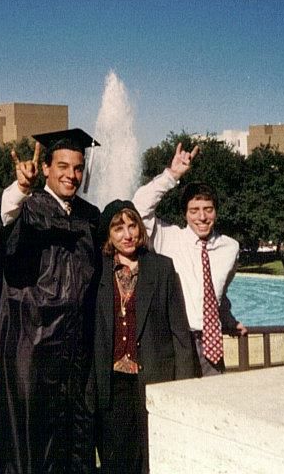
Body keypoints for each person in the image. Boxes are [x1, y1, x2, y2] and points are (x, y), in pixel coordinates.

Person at [0, 131, 101, 474]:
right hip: (30, 345)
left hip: (75, 349)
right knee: (30, 440)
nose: (71, 175)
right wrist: (20, 190)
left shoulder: (89, 215)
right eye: (63, 166)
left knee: (74, 439)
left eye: (78, 168)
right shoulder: (28, 207)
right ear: (46, 168)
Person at [93, 199, 197, 474]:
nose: (127, 235)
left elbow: (180, 334)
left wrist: (182, 389)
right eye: (118, 229)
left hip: (153, 380)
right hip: (112, 383)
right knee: (115, 462)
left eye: (132, 226)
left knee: (151, 460)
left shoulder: (161, 268)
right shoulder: (97, 270)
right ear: (109, 235)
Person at [131, 143, 247, 376]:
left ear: (216, 211)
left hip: (211, 345)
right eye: (194, 210)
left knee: (213, 404)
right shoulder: (168, 238)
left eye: (208, 209)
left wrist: (228, 319)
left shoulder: (230, 248)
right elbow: (139, 208)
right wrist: (172, 175)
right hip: (176, 341)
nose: (202, 217)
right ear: (185, 214)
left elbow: (219, 292)